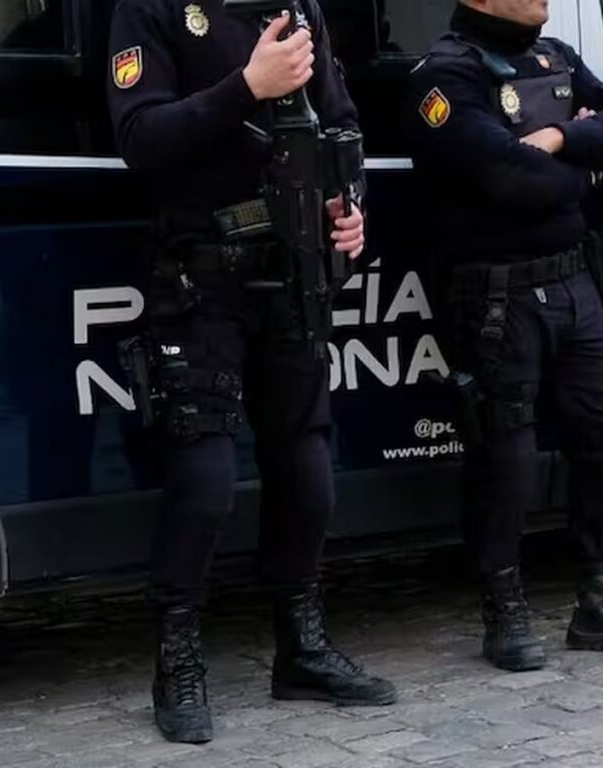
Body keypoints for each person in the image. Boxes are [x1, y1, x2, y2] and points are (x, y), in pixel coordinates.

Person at [106, 0, 396, 744]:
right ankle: (177, 663)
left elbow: (343, 126)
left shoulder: (299, 6)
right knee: (203, 482)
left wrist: (349, 203)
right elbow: (140, 138)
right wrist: (248, 85)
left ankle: (300, 648)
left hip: (294, 275)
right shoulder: (153, 10)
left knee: (308, 472)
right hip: (203, 280)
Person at [408, 0, 603, 673]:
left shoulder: (556, 57)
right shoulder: (444, 76)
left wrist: (562, 141)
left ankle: (601, 605)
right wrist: (582, 160)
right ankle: (504, 615)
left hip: (572, 281)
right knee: (506, 457)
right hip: (495, 292)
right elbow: (507, 178)